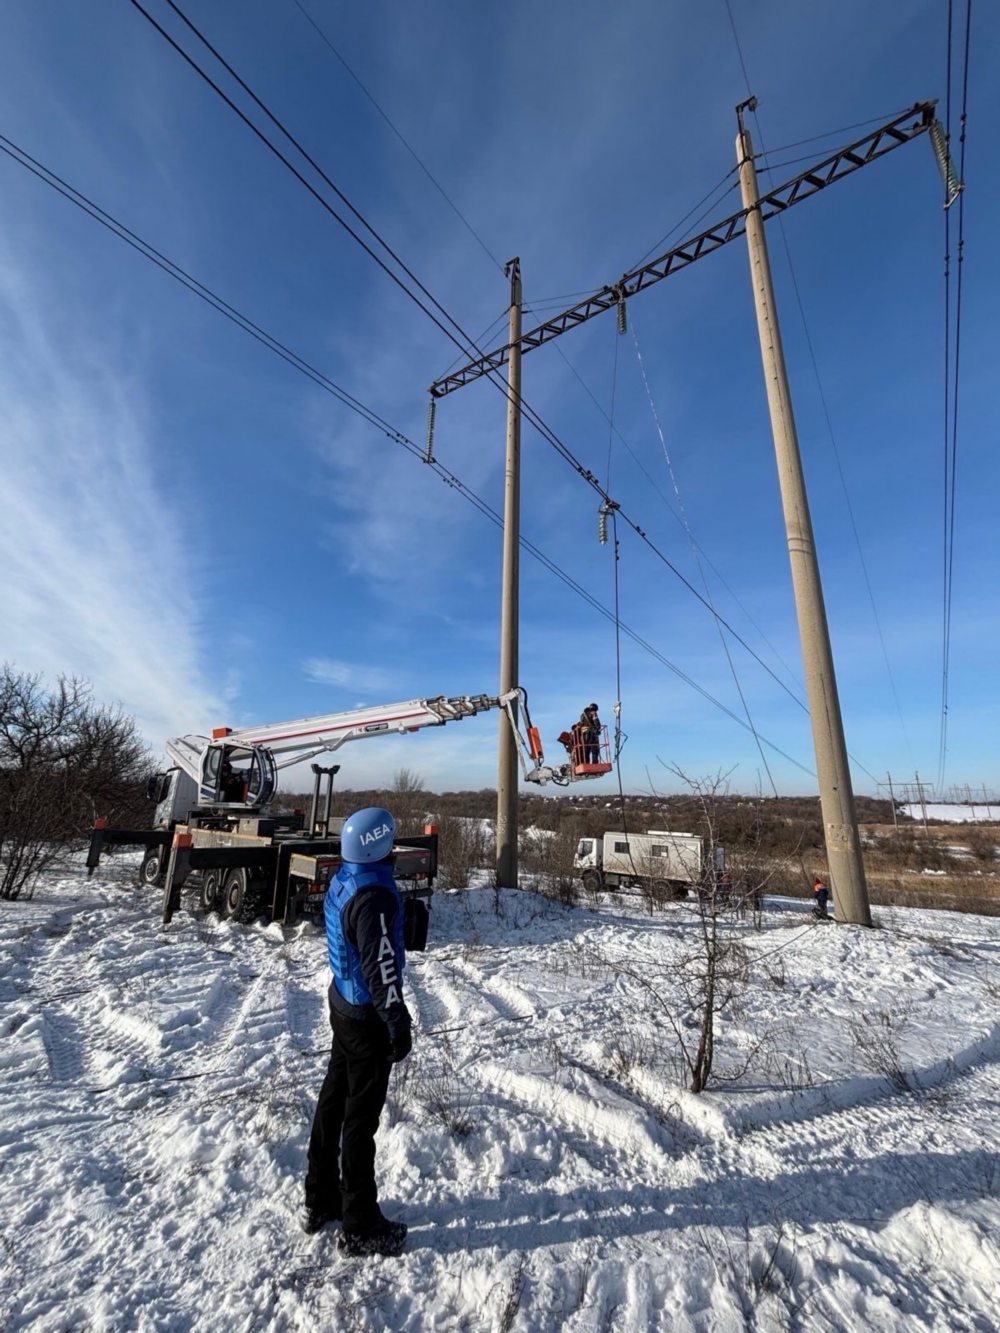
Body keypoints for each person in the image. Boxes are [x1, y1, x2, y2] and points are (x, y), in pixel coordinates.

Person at [303, 806, 413, 1257]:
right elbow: (381, 967)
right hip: (366, 1018)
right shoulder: (375, 897)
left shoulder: (346, 878)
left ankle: (321, 1197)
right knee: (360, 1123)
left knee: (332, 1104)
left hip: (342, 1007)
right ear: (381, 847)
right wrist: (397, 1022)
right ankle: (360, 1225)